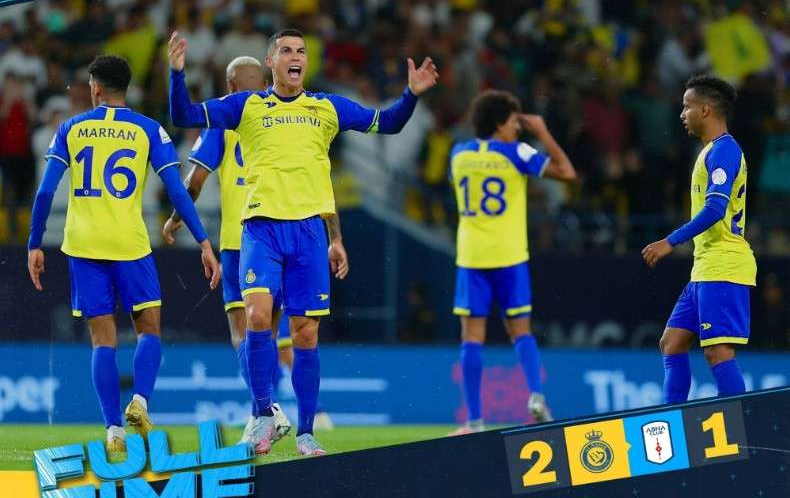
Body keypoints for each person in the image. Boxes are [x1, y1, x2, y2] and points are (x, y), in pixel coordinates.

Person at [167, 28, 437, 455]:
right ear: (271, 61)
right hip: (260, 228)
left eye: (301, 51)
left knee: (305, 334)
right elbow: (183, 114)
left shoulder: (327, 107)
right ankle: (263, 414)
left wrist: (411, 94)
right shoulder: (246, 106)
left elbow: (389, 123)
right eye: (286, 51)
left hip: (309, 233)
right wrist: (176, 72)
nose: (295, 57)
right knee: (257, 317)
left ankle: (307, 432)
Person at [27, 55, 220, 452]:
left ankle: (113, 429)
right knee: (149, 329)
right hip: (129, 244)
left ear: (95, 88)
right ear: (126, 88)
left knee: (102, 340)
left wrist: (34, 242)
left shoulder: (71, 128)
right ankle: (141, 401)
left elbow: (45, 191)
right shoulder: (148, 129)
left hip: (83, 246)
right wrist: (203, 241)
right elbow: (177, 189)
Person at [161, 55, 347, 444]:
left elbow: (195, 181)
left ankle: (267, 411)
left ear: (229, 87)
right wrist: (334, 237)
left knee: (244, 334)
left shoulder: (225, 121)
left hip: (241, 241)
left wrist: (177, 218)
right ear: (265, 81)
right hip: (291, 231)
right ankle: (276, 417)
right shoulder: (290, 119)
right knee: (278, 333)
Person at [449, 90, 576, 435]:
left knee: (471, 337)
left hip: (472, 257)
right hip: (510, 256)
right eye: (513, 122)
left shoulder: (459, 154)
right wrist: (542, 132)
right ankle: (536, 395)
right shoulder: (518, 152)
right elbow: (567, 172)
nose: (517, 129)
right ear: (499, 123)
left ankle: (474, 421)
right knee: (520, 331)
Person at [642, 75, 756, 403]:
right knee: (672, 343)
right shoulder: (710, 151)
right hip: (705, 267)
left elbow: (716, 209)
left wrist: (670, 241)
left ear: (705, 110)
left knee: (718, 352)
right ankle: (671, 419)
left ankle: (737, 426)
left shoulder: (725, 151)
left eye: (687, 106)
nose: (682, 114)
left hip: (724, 265)